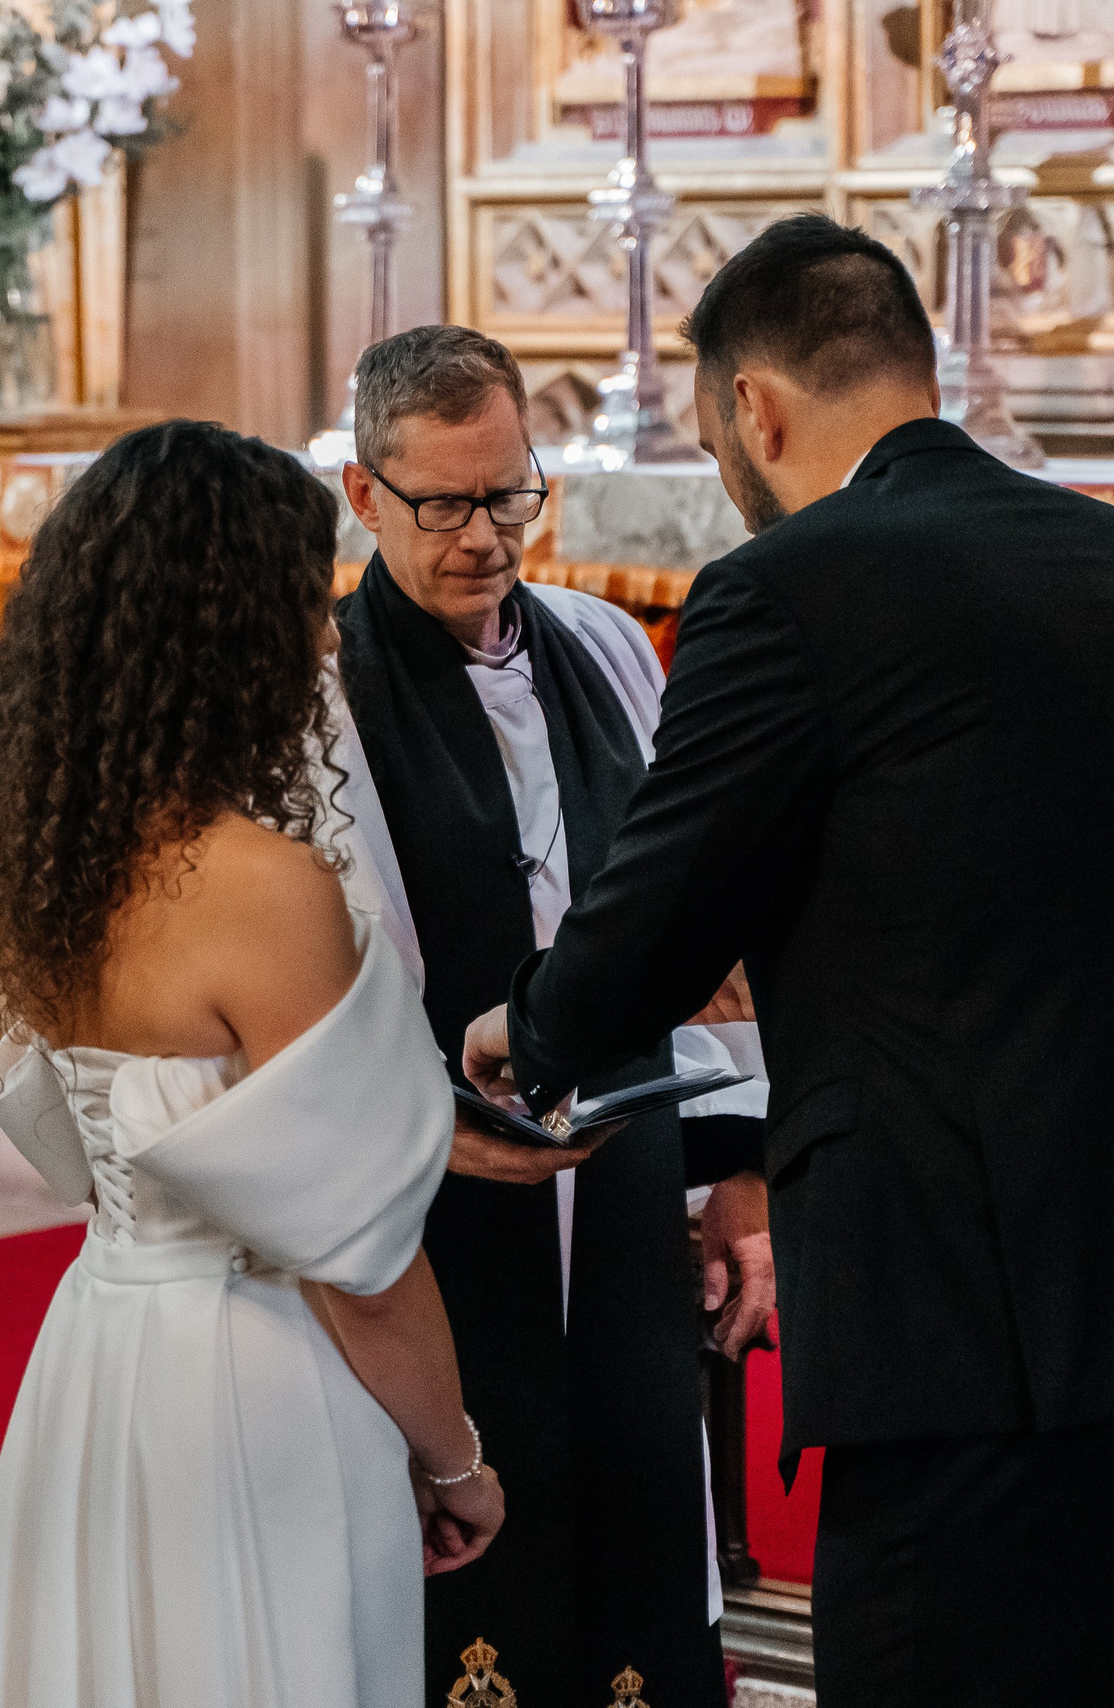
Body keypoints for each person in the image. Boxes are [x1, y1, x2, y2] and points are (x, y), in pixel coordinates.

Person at [463, 214, 1114, 1705]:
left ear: (756, 407)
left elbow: (660, 914)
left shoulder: (793, 587)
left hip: (967, 1309)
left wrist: (523, 1031)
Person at [0, 420, 504, 1708]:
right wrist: (455, 1457)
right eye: (307, 605)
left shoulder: (54, 862)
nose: (326, 639)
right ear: (231, 632)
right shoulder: (262, 888)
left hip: (98, 1354)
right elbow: (357, 1259)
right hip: (252, 1380)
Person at [328, 324, 773, 1708]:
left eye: (509, 493)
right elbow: (325, 984)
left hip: (629, 1195)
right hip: (438, 1201)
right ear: (363, 495)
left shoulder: (600, 649)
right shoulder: (322, 694)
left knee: (638, 1566)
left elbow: (698, 929)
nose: (484, 536)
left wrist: (742, 1181)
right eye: (442, 503)